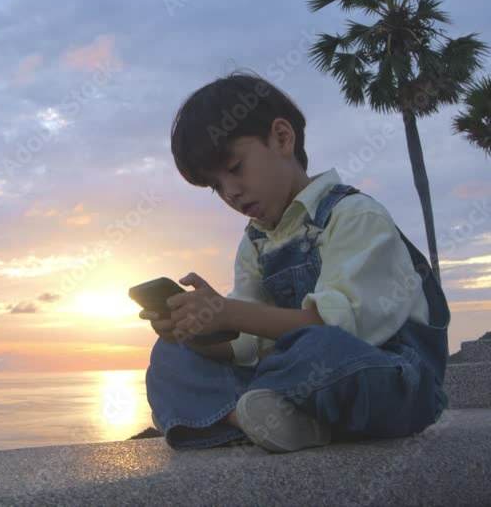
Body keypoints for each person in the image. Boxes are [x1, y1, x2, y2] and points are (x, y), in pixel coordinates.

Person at [142, 71, 450, 453]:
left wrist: (227, 311)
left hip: (385, 378)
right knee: (171, 355)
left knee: (319, 347)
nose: (231, 192)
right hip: (299, 383)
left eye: (235, 168)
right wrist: (198, 332)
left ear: (282, 138)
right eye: (216, 186)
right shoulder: (256, 241)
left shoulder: (353, 215)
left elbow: (338, 328)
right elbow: (248, 344)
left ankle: (260, 412)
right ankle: (258, 419)